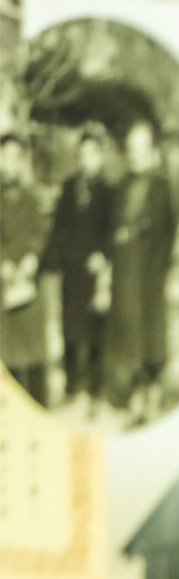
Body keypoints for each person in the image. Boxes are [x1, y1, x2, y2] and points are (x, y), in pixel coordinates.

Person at [105, 119, 177, 424]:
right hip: (125, 270)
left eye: (141, 148)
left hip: (150, 271)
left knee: (151, 334)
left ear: (152, 151)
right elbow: (112, 226)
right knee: (129, 335)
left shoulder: (161, 186)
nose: (134, 155)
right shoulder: (122, 186)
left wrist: (158, 266)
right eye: (130, 148)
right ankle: (135, 395)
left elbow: (169, 230)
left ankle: (153, 393)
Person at [42, 126, 115, 414]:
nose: (87, 159)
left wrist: (104, 254)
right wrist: (52, 259)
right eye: (82, 153)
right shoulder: (69, 186)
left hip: (96, 270)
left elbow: (112, 229)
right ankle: (73, 386)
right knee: (69, 327)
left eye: (92, 153)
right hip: (72, 269)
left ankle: (96, 390)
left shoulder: (110, 191)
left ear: (101, 156)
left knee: (97, 329)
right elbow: (58, 227)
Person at [0, 131, 51, 405]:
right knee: (7, 355)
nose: (11, 163)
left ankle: (38, 408)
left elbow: (40, 231)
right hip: (3, 284)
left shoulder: (33, 198)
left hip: (29, 283)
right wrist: (4, 263)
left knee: (33, 354)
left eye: (16, 157)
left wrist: (32, 256)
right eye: (6, 157)